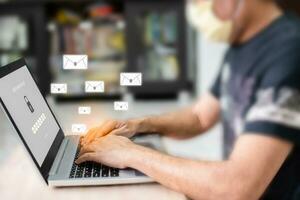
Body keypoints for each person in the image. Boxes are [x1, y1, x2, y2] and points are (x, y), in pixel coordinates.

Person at [77, 0, 300, 199]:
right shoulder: (244, 42)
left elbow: (238, 188)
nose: (196, 10)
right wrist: (139, 125)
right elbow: (201, 117)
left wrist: (129, 153)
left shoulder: (289, 51)